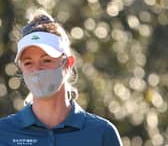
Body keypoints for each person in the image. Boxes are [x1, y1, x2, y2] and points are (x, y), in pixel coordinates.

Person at [0, 9, 123, 146]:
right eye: (28, 63)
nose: (36, 69)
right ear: (21, 68)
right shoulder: (3, 132)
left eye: (46, 60)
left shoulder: (102, 133)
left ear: (68, 64)